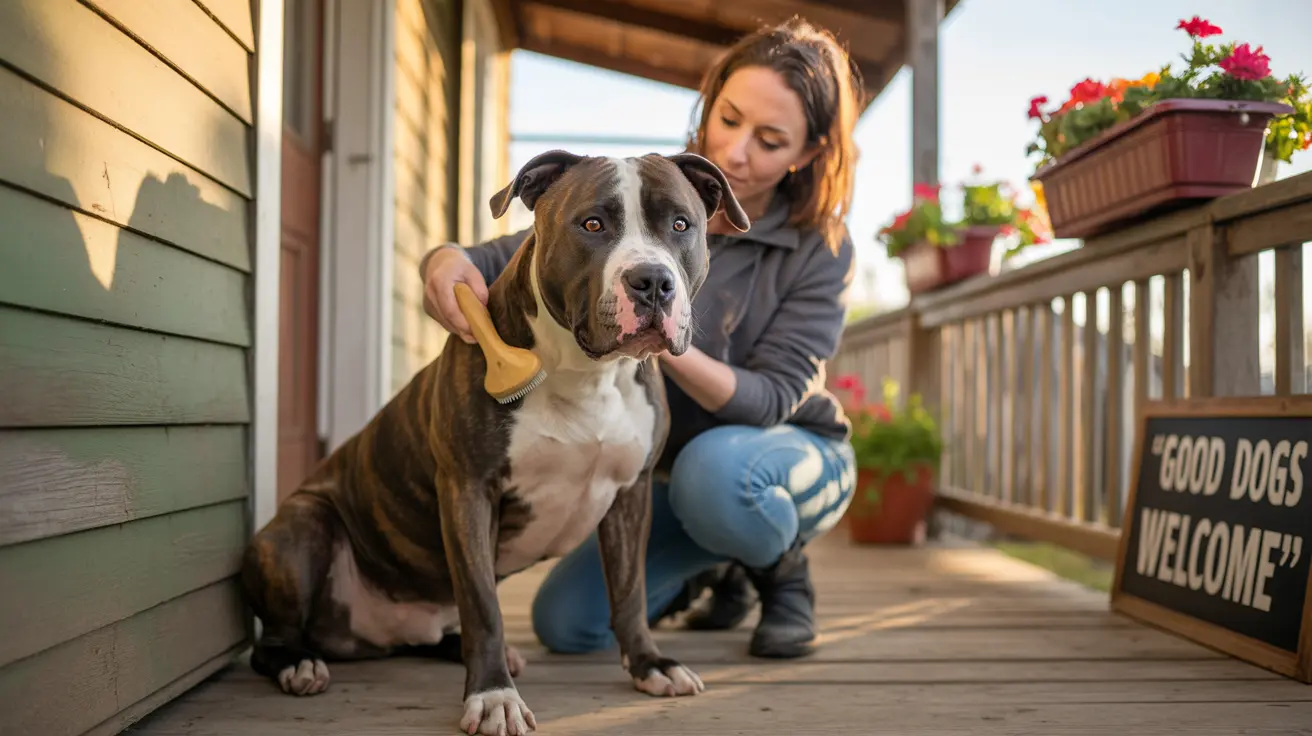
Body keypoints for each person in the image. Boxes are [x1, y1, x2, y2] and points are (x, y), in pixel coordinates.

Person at [419, 17, 861, 659]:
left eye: (769, 139)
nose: (736, 151)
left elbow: (767, 400)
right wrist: (441, 262)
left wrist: (659, 326)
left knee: (720, 476)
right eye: (728, 119)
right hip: (669, 477)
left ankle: (781, 573)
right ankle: (713, 566)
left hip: (781, 455)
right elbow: (513, 257)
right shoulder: (649, 190)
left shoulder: (820, 248)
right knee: (568, 627)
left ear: (810, 151)